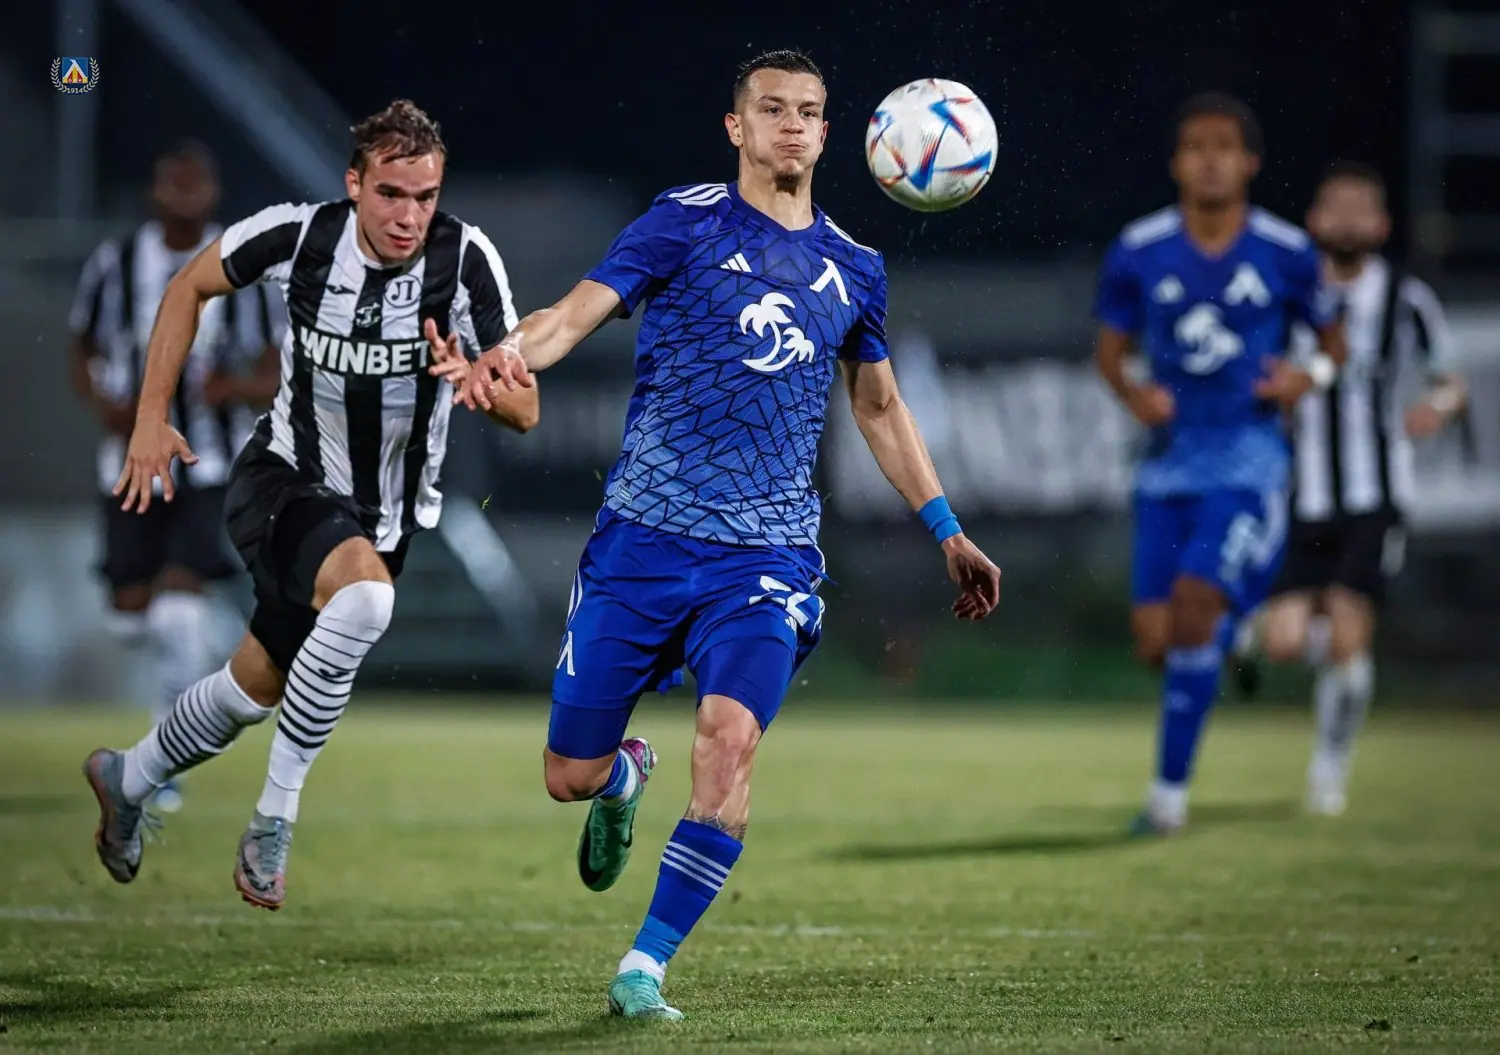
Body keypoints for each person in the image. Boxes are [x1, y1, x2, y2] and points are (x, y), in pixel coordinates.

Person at [456, 49, 1001, 1020]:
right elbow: (572, 316)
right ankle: (621, 776)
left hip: (767, 559)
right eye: (772, 109)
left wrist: (947, 527)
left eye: (809, 111)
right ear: (735, 127)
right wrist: (505, 351)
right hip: (641, 544)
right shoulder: (683, 221)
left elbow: (879, 407)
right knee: (567, 775)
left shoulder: (856, 269)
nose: (791, 125)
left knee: (728, 738)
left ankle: (645, 964)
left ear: (831, 134)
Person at [82, 100, 539, 909]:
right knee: (366, 600)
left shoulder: (466, 260)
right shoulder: (298, 236)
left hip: (384, 516)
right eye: (391, 193)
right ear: (354, 183)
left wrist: (479, 380)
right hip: (283, 480)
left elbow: (526, 409)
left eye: (425, 196)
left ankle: (130, 776)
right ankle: (274, 819)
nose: (408, 216)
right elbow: (189, 286)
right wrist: (151, 416)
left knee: (250, 689)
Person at [1093, 92, 1347, 836]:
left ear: (1250, 162)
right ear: (1176, 163)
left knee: (1195, 604)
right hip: (1167, 467)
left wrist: (1308, 377)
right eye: (1196, 147)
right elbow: (1109, 350)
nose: (1210, 160)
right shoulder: (1139, 248)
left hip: (1248, 462)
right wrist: (1132, 394)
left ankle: (1167, 800)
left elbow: (1333, 341)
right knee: (1158, 640)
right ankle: (1243, 634)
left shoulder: (1286, 250)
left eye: (1224, 147)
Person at [1231, 161, 1466, 815]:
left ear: (1382, 225)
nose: (1348, 222)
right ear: (1315, 221)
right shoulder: (1289, 295)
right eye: (1337, 209)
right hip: (1302, 493)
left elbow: (1450, 379)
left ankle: (1328, 770)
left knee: (1347, 627)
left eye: (1361, 210)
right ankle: (1248, 635)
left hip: (1376, 494)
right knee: (1286, 642)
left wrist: (1436, 407)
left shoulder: (1406, 300)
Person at [69, 141, 282, 814]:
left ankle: (161, 764)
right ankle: (215, 634)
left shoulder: (241, 264)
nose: (184, 197)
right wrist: (104, 404)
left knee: (176, 609)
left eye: (195, 185)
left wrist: (234, 389)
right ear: (153, 191)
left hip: (209, 464)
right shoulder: (115, 264)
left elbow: (277, 367)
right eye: (173, 184)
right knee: (132, 617)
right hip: (130, 464)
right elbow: (82, 348)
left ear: (214, 193)